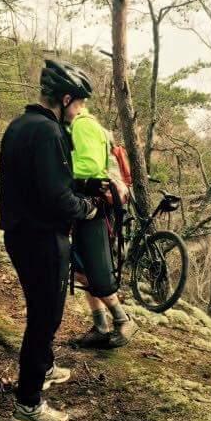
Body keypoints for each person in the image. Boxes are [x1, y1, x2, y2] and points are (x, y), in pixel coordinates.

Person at [0, 59, 99, 421]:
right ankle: (28, 403)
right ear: (66, 98)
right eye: (80, 103)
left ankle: (44, 366)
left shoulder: (20, 125)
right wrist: (87, 208)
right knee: (46, 316)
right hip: (42, 237)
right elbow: (57, 196)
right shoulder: (49, 132)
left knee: (41, 309)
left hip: (19, 233)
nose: (81, 110)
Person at [68, 107, 137, 349]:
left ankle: (123, 320)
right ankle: (100, 326)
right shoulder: (80, 126)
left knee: (97, 270)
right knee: (81, 271)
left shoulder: (83, 125)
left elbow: (89, 169)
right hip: (84, 210)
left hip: (95, 211)